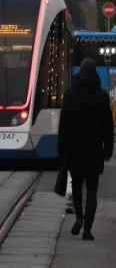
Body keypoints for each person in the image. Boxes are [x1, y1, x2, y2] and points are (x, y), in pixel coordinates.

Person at [58, 57, 114, 240]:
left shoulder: (70, 95)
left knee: (76, 185)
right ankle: (88, 228)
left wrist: (62, 150)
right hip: (94, 150)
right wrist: (108, 151)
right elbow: (108, 126)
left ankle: (79, 217)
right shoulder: (102, 96)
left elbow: (64, 125)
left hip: (74, 149)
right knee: (92, 189)